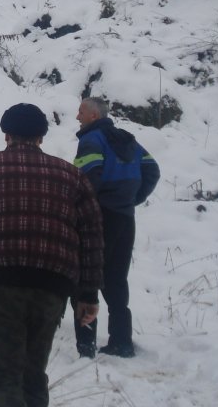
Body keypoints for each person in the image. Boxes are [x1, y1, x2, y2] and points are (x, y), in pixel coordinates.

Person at [0, 103, 104, 407]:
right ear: (41, 137)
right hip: (52, 287)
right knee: (32, 375)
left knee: (0, 376)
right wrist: (88, 293)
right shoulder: (72, 176)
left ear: (6, 134)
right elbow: (92, 236)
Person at [71, 97, 160, 358]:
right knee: (116, 279)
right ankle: (122, 342)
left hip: (99, 218)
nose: (77, 117)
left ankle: (86, 344)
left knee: (86, 276)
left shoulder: (91, 140)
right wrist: (131, 199)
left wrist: (85, 210)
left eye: (80, 112)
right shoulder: (128, 140)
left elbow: (86, 181)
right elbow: (152, 170)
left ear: (93, 116)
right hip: (125, 217)